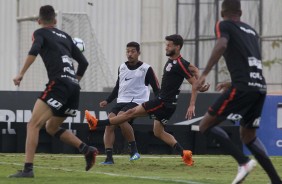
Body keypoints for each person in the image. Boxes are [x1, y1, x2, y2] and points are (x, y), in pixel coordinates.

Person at [85, 34, 210, 166]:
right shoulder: (178, 62)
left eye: (169, 45)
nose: (166, 47)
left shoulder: (179, 64)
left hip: (162, 102)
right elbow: (195, 69)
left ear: (177, 47)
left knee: (129, 113)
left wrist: (192, 104)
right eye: (166, 45)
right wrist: (201, 82)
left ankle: (96, 123)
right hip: (169, 104)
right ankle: (184, 154)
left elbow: (193, 83)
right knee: (158, 132)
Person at [195, 0, 282, 184]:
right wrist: (232, 82)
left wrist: (204, 73)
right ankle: (276, 181)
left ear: (222, 13)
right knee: (248, 136)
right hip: (259, 87)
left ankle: (243, 162)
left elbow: (222, 45)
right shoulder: (252, 31)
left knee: (205, 126)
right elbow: (250, 61)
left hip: (242, 87)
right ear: (240, 13)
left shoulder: (223, 24)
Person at [9, 5, 97, 178]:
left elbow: (34, 50)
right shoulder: (65, 36)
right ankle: (87, 150)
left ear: (39, 21)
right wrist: (74, 81)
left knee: (33, 124)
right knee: (51, 126)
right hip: (73, 88)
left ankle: (28, 169)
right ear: (55, 21)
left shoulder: (40, 33)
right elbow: (84, 63)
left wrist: (21, 74)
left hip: (59, 84)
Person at [96, 41, 160, 164]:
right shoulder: (122, 67)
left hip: (138, 101)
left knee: (121, 117)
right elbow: (118, 87)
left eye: (132, 51)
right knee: (110, 123)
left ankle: (134, 151)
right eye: (127, 51)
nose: (129, 54)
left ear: (138, 53)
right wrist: (107, 100)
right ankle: (109, 158)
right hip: (121, 101)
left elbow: (157, 89)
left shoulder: (146, 68)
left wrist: (157, 105)